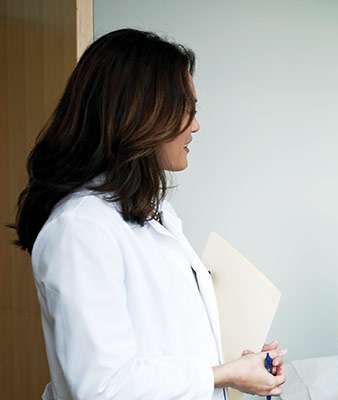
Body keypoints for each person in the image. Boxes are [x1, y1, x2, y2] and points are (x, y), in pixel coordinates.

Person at [13, 28, 285, 400]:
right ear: (142, 112)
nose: (196, 125)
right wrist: (221, 374)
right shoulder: (79, 229)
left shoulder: (153, 215)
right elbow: (102, 388)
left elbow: (165, 345)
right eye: (187, 109)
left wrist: (237, 368)